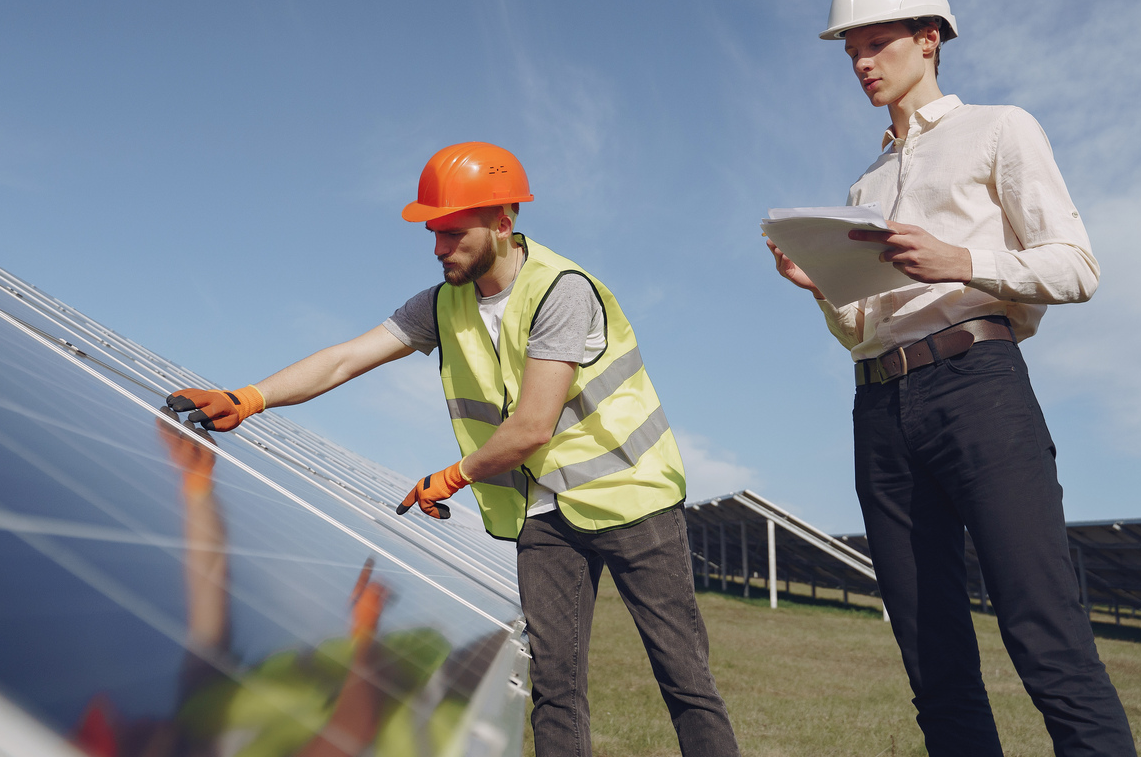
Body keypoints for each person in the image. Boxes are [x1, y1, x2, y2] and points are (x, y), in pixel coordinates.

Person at [166, 142, 740, 757]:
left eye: (453, 232)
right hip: (542, 515)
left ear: (502, 222)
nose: (439, 249)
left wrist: (454, 475)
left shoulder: (560, 291)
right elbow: (345, 358)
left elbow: (532, 427)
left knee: (684, 679)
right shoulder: (442, 303)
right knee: (555, 689)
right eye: (432, 233)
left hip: (631, 500)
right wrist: (251, 396)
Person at [767, 0, 1134, 756]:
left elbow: (1077, 267)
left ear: (928, 41)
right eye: (849, 51)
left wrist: (960, 261)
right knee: (932, 661)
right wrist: (820, 286)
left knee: (1045, 631)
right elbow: (863, 329)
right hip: (880, 410)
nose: (862, 63)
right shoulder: (863, 184)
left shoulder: (1001, 129)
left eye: (877, 44)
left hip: (979, 388)